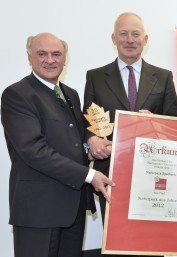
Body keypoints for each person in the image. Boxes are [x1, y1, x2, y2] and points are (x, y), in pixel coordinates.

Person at [1, 32, 115, 257]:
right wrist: (90, 176)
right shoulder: (17, 94)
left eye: (56, 54)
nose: (50, 60)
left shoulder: (70, 94)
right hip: (38, 212)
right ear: (29, 58)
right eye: (41, 54)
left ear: (65, 59)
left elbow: (72, 141)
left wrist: (90, 147)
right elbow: (34, 150)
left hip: (72, 209)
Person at [83, 12, 177, 221]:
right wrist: (91, 139)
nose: (129, 40)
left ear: (145, 40)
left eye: (136, 34)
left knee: (151, 241)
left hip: (154, 174)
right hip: (110, 173)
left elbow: (175, 126)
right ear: (113, 38)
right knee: (114, 242)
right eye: (123, 34)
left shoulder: (164, 77)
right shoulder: (95, 77)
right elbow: (87, 121)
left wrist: (155, 122)